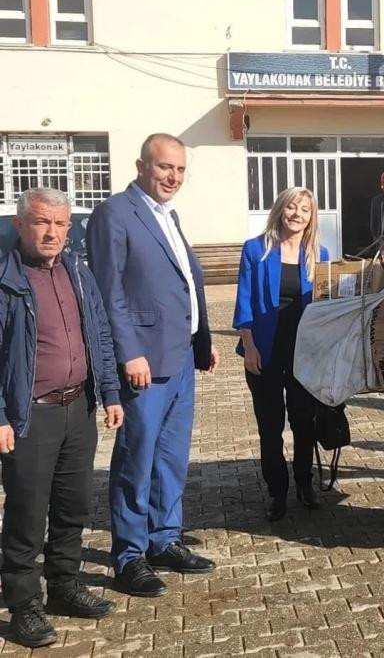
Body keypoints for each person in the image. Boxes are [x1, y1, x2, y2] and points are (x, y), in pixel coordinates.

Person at [87, 133, 219, 598]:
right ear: (141, 165)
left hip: (179, 355)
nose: (173, 177)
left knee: (171, 457)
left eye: (180, 170)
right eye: (165, 167)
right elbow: (109, 291)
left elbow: (184, 282)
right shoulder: (115, 213)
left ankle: (165, 539)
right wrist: (127, 352)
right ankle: (128, 554)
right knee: (136, 458)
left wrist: (201, 337)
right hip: (143, 360)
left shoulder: (169, 215)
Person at [0, 188, 124, 647]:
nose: (52, 232)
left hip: (79, 408)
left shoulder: (79, 272)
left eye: (60, 224)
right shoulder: (7, 279)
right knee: (27, 515)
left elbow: (102, 334)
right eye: (41, 222)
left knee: (72, 507)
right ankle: (23, 604)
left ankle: (64, 586)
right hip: (30, 415)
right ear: (20, 225)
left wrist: (110, 391)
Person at [234, 187, 329, 521]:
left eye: (304, 209)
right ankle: (277, 491)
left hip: (304, 352)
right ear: (280, 209)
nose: (297, 214)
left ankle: (305, 484)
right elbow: (244, 301)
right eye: (292, 207)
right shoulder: (256, 250)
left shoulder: (321, 254)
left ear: (311, 216)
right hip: (264, 349)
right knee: (270, 425)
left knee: (305, 421)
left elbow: (329, 307)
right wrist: (248, 346)